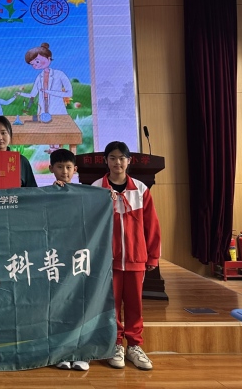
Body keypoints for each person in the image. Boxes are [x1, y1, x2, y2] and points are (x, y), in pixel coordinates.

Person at [92, 141, 160, 371]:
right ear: (106, 161)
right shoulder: (96, 188)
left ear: (129, 161)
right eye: (112, 158)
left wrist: (152, 256)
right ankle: (115, 345)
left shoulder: (140, 189)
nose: (117, 162)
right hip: (107, 261)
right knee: (110, 306)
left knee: (134, 305)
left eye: (122, 158)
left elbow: (152, 226)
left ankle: (135, 346)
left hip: (135, 258)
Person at [47, 148, 89, 372]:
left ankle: (81, 353)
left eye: (68, 167)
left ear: (75, 169)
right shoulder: (45, 194)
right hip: (55, 258)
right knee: (57, 304)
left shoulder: (85, 193)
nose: (64, 171)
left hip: (80, 257)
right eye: (60, 167)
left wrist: (108, 196)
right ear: (51, 169)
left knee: (80, 303)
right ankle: (61, 353)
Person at [16, 43, 73, 120]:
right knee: (43, 125)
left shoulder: (59, 74)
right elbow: (33, 94)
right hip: (42, 108)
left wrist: (48, 92)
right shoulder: (39, 77)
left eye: (37, 62)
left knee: (59, 124)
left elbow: (69, 93)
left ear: (48, 58)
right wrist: (20, 93)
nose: (35, 65)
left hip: (57, 108)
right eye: (32, 64)